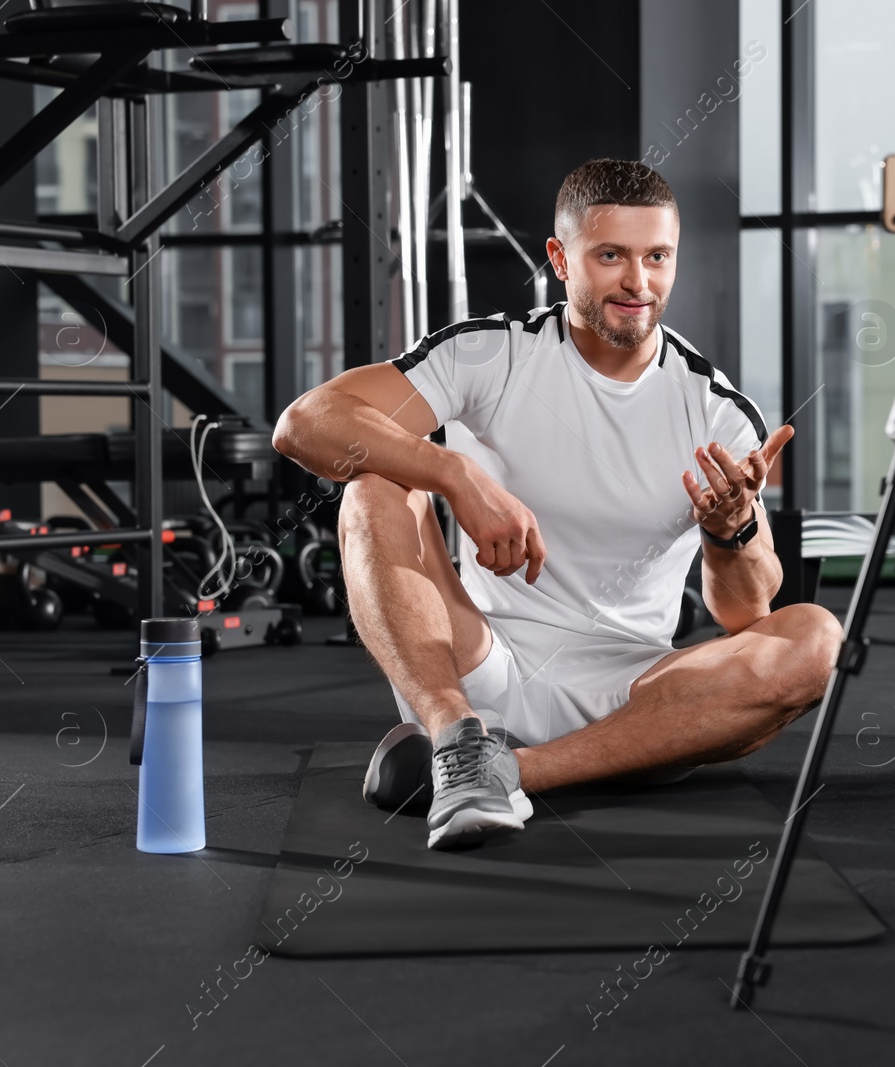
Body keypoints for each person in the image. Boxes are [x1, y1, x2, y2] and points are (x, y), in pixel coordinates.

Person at [272, 158, 841, 850]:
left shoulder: (717, 411)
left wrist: (732, 530)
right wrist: (454, 472)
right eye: (611, 256)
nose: (638, 282)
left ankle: (508, 770)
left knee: (814, 639)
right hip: (478, 666)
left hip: (637, 699)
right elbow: (306, 423)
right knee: (374, 483)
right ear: (560, 259)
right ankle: (455, 737)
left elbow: (746, 613)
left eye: (658, 257)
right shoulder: (492, 355)